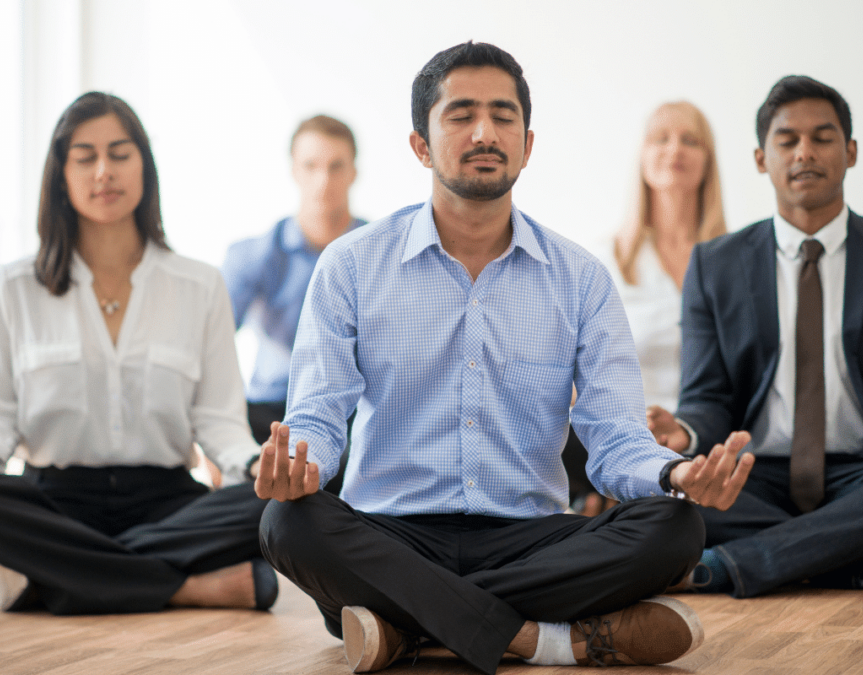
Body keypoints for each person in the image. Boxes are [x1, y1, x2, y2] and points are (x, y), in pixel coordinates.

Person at [253, 41, 754, 675]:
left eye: (503, 115)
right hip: (389, 534)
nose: (485, 132)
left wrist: (675, 474)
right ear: (421, 145)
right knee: (286, 524)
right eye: (460, 114)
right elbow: (319, 417)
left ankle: (409, 628)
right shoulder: (351, 266)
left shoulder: (580, 278)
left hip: (528, 539)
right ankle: (541, 640)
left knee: (676, 528)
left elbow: (615, 436)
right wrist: (302, 469)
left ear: (527, 143)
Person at [0, 92, 277, 615]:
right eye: (85, 157)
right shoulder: (14, 287)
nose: (104, 171)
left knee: (280, 506)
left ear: (144, 165)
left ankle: (49, 580)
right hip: (54, 503)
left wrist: (255, 464)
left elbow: (218, 420)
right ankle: (187, 587)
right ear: (61, 174)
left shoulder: (199, 285)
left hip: (167, 502)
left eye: (119, 153)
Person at [649, 75, 863, 598]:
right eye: (787, 140)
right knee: (661, 502)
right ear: (762, 158)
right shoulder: (714, 266)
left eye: (823, 137)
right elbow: (708, 398)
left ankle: (728, 566)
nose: (805, 152)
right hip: (753, 477)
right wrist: (686, 435)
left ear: (850, 152)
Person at [566, 101, 727, 515]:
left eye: (690, 140)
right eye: (661, 138)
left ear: (708, 160)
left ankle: (625, 516)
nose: (675, 149)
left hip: (707, 438)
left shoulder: (737, 262)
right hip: (623, 439)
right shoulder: (602, 262)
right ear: (642, 157)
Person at [222, 115, 365, 447]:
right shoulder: (254, 255)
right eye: (311, 165)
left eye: (336, 166)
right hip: (269, 411)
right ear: (293, 170)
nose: (323, 180)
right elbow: (210, 346)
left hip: (352, 413)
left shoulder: (381, 253)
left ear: (354, 173)